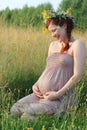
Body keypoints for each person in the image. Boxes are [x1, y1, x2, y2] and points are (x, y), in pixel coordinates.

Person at [10, 9, 86, 120]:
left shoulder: (77, 45)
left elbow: (78, 75)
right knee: (14, 109)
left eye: (54, 30)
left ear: (64, 25)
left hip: (60, 98)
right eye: (50, 32)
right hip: (41, 95)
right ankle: (47, 116)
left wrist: (57, 94)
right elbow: (48, 70)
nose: (52, 35)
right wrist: (36, 84)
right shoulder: (52, 45)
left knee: (26, 117)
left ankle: (56, 116)